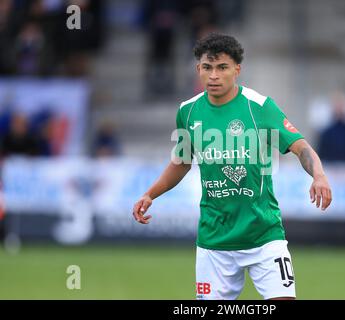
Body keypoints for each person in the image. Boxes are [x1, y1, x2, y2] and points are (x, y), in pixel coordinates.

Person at [132, 33, 332, 300]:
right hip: (215, 241)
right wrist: (150, 193)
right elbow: (181, 162)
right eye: (207, 67)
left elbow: (301, 147)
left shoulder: (259, 107)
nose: (214, 75)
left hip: (264, 236)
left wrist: (318, 175)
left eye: (222, 67)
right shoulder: (188, 112)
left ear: (237, 69)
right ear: (198, 69)